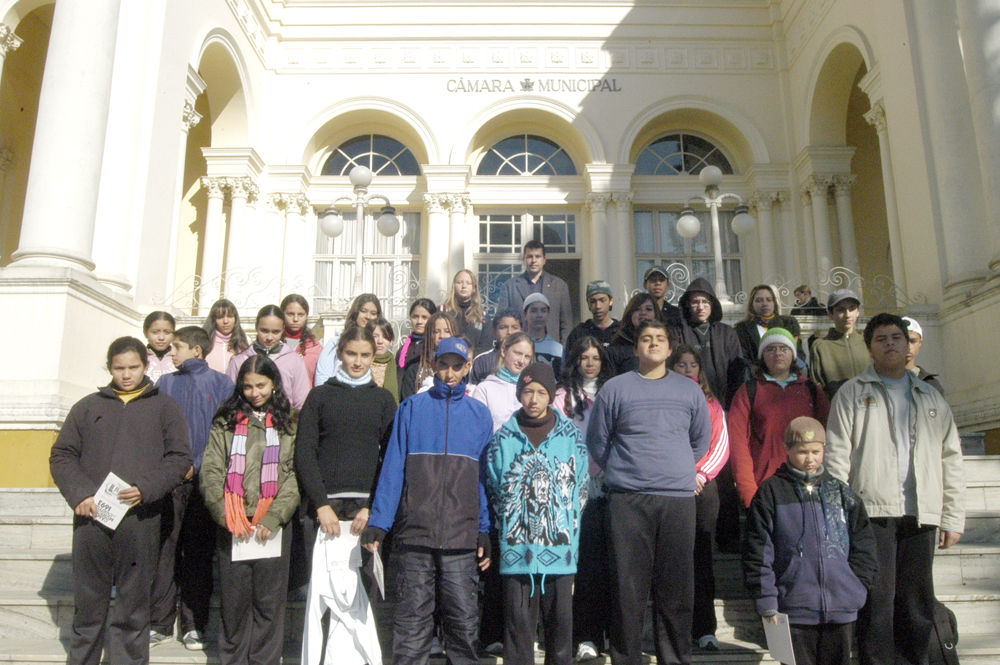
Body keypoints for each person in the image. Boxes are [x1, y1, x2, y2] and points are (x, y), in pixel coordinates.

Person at [825, 313, 965, 665]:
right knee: (878, 601)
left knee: (916, 602)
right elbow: (837, 458)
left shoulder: (930, 397)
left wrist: (952, 517)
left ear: (908, 345)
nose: (890, 343)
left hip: (922, 512)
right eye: (881, 339)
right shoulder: (852, 393)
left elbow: (952, 459)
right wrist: (836, 516)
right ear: (870, 348)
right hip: (872, 514)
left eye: (896, 337)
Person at [50, 336, 192, 665]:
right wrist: (80, 493)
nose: (126, 375)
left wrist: (146, 488)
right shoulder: (87, 407)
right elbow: (62, 455)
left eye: (133, 367)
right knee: (88, 602)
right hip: (92, 516)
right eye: (119, 368)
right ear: (109, 368)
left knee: (133, 604)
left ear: (145, 366)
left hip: (141, 518)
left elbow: (178, 457)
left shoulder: (164, 407)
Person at [361, 337, 494, 665]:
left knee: (463, 625)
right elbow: (393, 467)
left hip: (461, 539)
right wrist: (381, 521)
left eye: (457, 366)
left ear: (467, 368)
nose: (449, 372)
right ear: (433, 364)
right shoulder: (411, 408)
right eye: (443, 364)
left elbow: (483, 479)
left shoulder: (480, 415)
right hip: (415, 537)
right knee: (411, 627)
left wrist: (484, 528)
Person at [587, 319, 711, 665]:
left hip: (678, 499)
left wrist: (673, 466)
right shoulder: (615, 389)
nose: (653, 343)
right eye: (646, 338)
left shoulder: (690, 391)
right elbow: (597, 441)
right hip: (628, 500)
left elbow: (701, 441)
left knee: (676, 589)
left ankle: (674, 657)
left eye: (660, 338)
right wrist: (624, 470)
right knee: (628, 589)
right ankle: (627, 658)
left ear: (670, 349)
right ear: (636, 347)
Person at [295, 326, 396, 665]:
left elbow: (390, 458)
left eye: (365, 355)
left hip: (364, 515)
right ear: (340, 354)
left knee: (358, 597)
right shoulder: (320, 396)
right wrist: (321, 504)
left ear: (374, 357)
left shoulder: (383, 399)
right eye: (351, 354)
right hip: (326, 512)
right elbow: (305, 454)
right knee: (326, 594)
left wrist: (372, 508)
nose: (357, 361)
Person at [743, 417, 878, 665]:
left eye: (816, 451)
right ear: (787, 450)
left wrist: (857, 587)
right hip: (794, 608)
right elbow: (758, 551)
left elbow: (864, 545)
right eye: (802, 452)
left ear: (824, 450)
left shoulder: (841, 493)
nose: (810, 459)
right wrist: (767, 600)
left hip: (842, 607)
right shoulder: (771, 492)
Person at [485, 362, 589, 665]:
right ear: (519, 394)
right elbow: (493, 486)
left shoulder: (571, 435)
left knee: (560, 633)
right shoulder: (503, 439)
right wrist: (510, 523)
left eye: (541, 392)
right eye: (528, 391)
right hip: (517, 553)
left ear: (550, 395)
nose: (533, 399)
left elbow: (581, 486)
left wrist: (566, 525)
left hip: (561, 551)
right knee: (517, 633)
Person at [201, 354, 300, 665]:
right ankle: (232, 659)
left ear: (274, 384)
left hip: (272, 525)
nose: (255, 393)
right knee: (234, 601)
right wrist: (225, 514)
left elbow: (295, 474)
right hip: (234, 523)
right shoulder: (226, 420)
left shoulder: (290, 422)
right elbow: (212, 469)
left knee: (269, 603)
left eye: (261, 385)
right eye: (247, 387)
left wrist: (273, 516)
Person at [151, 327, 235, 650]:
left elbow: (224, 430)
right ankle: (158, 621)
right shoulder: (165, 383)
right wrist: (172, 468)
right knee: (165, 551)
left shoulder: (221, 383)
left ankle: (193, 625)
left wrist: (196, 465)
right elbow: (157, 430)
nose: (172, 353)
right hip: (169, 481)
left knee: (198, 553)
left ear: (197, 351)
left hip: (204, 481)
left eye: (178, 347)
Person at [666, 345, 730, 653]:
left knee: (700, 558)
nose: (688, 369)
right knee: (670, 560)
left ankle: (705, 629)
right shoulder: (663, 399)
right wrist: (677, 474)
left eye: (693, 364)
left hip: (703, 488)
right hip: (669, 486)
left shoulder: (711, 403)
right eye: (681, 364)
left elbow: (720, 443)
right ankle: (672, 630)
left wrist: (701, 474)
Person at [552, 337, 612, 662]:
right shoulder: (563, 397)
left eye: (595, 358)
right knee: (584, 568)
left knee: (608, 567)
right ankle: (584, 636)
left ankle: (607, 634)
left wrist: (604, 467)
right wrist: (588, 467)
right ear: (575, 361)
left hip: (610, 486)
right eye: (584, 358)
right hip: (574, 490)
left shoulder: (611, 392)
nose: (590, 363)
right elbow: (560, 437)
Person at [728, 328, 830, 509]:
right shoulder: (749, 391)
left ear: (793, 354)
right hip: (765, 486)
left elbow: (829, 437)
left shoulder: (811, 390)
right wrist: (748, 491)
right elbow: (738, 445)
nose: (777, 353)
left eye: (784, 348)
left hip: (809, 485)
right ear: (762, 356)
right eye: (770, 349)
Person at [670, 277, 745, 407]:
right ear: (687, 305)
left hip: (723, 404)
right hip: (688, 402)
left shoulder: (726, 333)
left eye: (705, 302)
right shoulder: (678, 334)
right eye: (695, 302)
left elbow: (737, 373)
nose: (700, 307)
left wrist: (731, 406)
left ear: (712, 304)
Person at [226, 304, 311, 409]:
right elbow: (230, 399)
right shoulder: (239, 361)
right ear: (256, 327)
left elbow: (301, 402)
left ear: (283, 329)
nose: (269, 337)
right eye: (264, 331)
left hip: (282, 421)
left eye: (276, 332)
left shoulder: (294, 361)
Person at [497, 240, 573, 344]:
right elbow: (501, 322)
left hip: (551, 349)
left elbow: (566, 325)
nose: (533, 260)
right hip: (519, 347)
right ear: (524, 259)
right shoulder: (510, 286)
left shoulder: (559, 286)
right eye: (529, 257)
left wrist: (563, 351)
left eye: (537, 256)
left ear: (544, 260)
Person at [809, 289, 868, 400]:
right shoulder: (821, 347)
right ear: (831, 314)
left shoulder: (867, 342)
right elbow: (818, 387)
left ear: (858, 312)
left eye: (852, 309)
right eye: (841, 310)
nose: (847, 315)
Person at [472, 331, 535, 433]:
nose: (521, 361)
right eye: (518, 353)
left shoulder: (532, 390)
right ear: (503, 350)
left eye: (527, 356)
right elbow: (477, 429)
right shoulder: (484, 389)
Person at [315, 294, 383, 387]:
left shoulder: (381, 345)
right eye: (363, 311)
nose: (368, 316)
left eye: (373, 313)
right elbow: (322, 378)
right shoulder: (335, 342)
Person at [400, 310, 458, 400]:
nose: (442, 336)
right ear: (428, 335)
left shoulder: (461, 369)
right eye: (436, 331)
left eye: (447, 331)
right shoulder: (414, 371)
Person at [606, 292, 659, 376]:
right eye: (637, 309)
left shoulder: (665, 343)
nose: (643, 313)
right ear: (630, 313)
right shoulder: (617, 347)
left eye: (648, 309)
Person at [565, 280, 622, 353]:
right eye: (593, 301)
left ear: (610, 301)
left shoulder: (621, 332)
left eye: (602, 300)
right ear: (588, 304)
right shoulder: (579, 333)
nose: (598, 306)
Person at [442, 269, 490, 354]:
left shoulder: (482, 316)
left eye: (468, 283)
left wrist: (471, 358)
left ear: (474, 288)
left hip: (474, 362)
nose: (464, 286)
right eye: (459, 282)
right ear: (454, 286)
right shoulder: (442, 312)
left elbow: (486, 345)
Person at [470, 309, 522, 385]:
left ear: (521, 331)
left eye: (514, 327)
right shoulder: (482, 361)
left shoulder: (526, 360)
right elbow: (471, 390)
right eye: (503, 327)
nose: (509, 332)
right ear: (494, 332)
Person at [282, 294, 323, 385]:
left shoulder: (316, 348)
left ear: (306, 316)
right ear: (282, 314)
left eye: (300, 314)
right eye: (290, 314)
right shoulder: (275, 344)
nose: (295, 319)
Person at [203, 299, 250, 374]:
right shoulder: (204, 342)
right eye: (220, 317)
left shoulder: (244, 343)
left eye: (230, 316)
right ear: (213, 320)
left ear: (235, 319)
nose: (225, 321)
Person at [734, 284, 781, 360]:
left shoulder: (785, 324)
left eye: (769, 300)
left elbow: (799, 355)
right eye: (759, 300)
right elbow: (742, 358)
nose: (765, 304)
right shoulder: (742, 329)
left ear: (774, 303)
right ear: (752, 304)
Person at [522, 293, 564, 376]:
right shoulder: (518, 345)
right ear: (525, 315)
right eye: (534, 311)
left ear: (548, 315)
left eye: (543, 311)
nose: (539, 315)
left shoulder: (558, 349)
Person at [902, 316, 944, 394]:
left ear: (920, 343)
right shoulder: (879, 381)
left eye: (913, 341)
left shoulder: (931, 384)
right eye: (903, 341)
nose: (908, 346)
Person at [396, 297, 437, 374]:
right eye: (415, 317)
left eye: (424, 317)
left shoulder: (435, 346)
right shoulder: (403, 350)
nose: (419, 321)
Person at [367, 316, 399, 403]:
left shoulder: (398, 370)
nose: (380, 341)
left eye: (385, 336)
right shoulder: (360, 366)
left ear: (391, 341)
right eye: (375, 336)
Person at [144, 311, 176, 382]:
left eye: (167, 332)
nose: (161, 337)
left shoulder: (179, 359)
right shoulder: (139, 357)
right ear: (145, 333)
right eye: (155, 332)